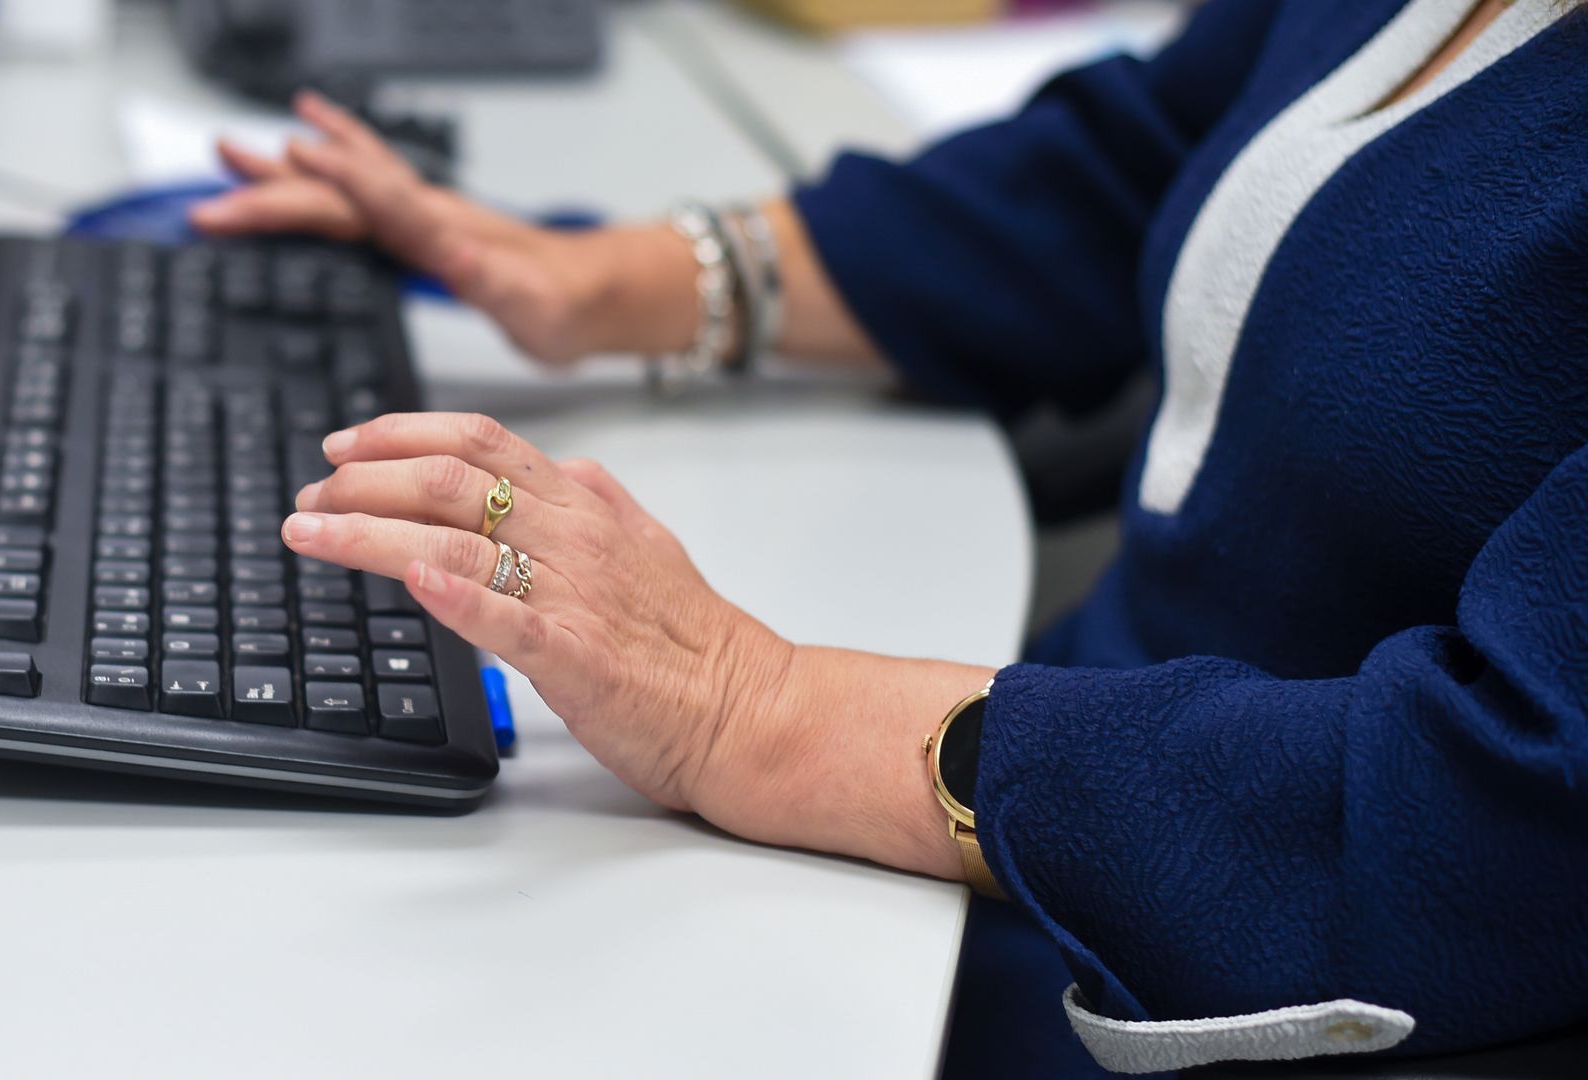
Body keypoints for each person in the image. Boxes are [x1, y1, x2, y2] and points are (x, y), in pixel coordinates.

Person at [190, 0, 1588, 1074]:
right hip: (1044, 796)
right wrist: (597, 279)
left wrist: (757, 707)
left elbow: (1500, 813)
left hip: (1201, 955)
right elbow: (1136, 171)